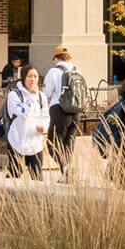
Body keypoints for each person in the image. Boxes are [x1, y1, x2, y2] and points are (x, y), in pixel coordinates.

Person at [41, 46, 82, 179]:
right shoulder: (77, 70)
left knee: (53, 144)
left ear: (55, 58)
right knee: (68, 143)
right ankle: (66, 175)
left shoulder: (53, 71)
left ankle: (66, 170)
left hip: (59, 110)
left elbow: (47, 92)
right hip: (76, 112)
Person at [4, 65, 51, 180]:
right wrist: (31, 97)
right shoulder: (14, 95)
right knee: (15, 173)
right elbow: (22, 113)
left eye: (35, 76)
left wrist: (44, 127)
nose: (33, 79)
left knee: (37, 177)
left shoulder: (42, 96)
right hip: (17, 140)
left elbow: (45, 116)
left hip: (35, 142)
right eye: (29, 76)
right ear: (23, 78)